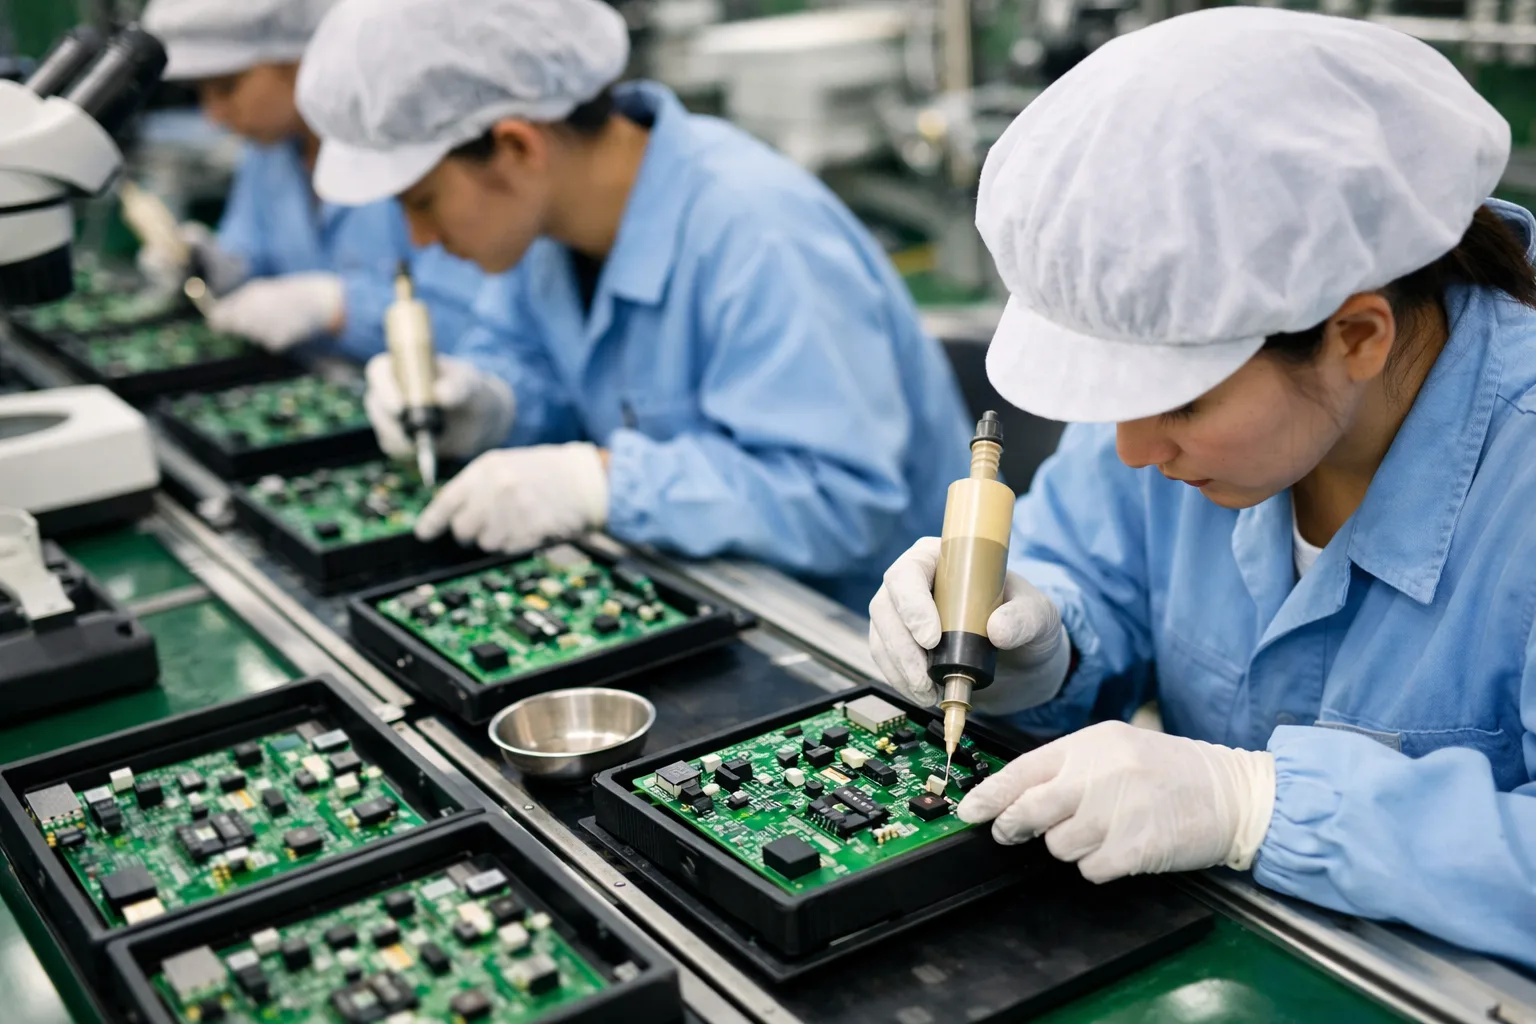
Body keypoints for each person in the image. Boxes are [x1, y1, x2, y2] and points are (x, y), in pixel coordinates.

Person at [869, 7, 1536, 967]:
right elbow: (1087, 569)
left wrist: (1259, 806)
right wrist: (1040, 648)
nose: (1133, 448)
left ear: (1357, 335)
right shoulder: (1177, 416)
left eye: (1174, 402)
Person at [292, 0, 974, 610]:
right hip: (702, 598)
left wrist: (604, 484)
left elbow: (842, 504)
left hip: (850, 643)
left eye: (422, 202)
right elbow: (541, 371)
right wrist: (488, 402)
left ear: (516, 146)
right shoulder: (547, 231)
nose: (419, 239)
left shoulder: (758, 231)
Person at [137, 0, 485, 361]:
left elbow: (479, 326)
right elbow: (251, 251)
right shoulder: (268, 150)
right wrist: (213, 265)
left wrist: (339, 308)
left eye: (227, 88)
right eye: (201, 92)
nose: (214, 116)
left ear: (302, 59)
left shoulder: (400, 152)